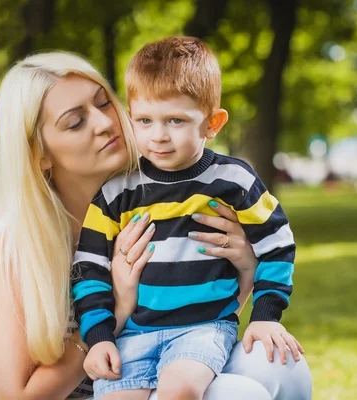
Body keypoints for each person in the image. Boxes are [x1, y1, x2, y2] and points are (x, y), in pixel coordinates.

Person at [0, 51, 312, 400]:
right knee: (235, 394)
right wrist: (116, 308)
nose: (104, 123)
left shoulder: (164, 193)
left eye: (104, 104)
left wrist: (246, 270)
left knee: (281, 363)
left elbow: (195, 321)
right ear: (38, 153)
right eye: (75, 122)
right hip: (110, 390)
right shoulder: (21, 244)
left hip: (172, 366)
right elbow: (13, 395)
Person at [74, 36, 301, 400]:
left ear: (212, 123)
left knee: (179, 390)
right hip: (132, 333)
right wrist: (99, 336)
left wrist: (265, 314)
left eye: (176, 120)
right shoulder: (117, 192)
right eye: (144, 120)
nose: (159, 136)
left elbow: (277, 244)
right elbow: (89, 268)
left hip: (202, 327)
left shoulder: (234, 182)